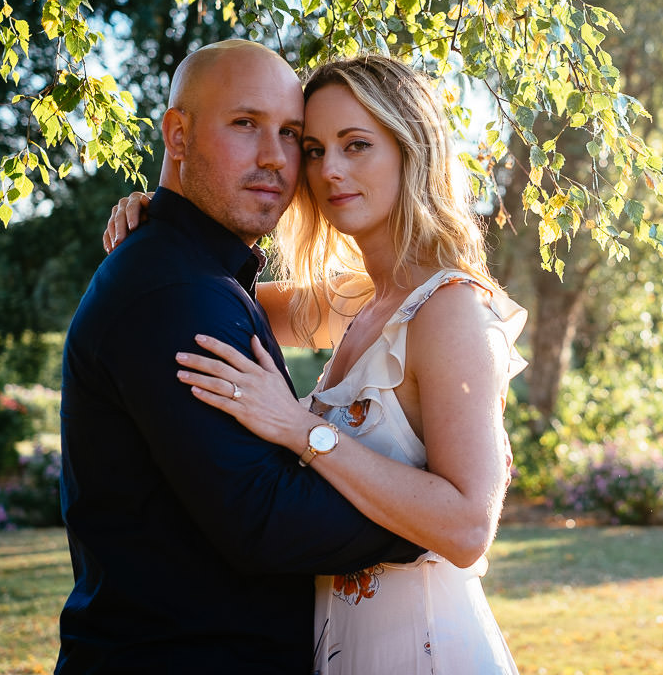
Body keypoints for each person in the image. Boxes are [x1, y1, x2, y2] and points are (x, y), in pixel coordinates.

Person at [106, 55, 526, 674]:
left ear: (412, 150)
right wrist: (160, 212)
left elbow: (468, 528)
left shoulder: (449, 310)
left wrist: (302, 430)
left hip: (423, 650)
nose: (330, 170)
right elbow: (208, 288)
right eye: (315, 148)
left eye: (357, 145)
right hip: (342, 647)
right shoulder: (361, 299)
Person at [58, 40, 422, 675]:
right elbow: (266, 519)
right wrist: (432, 518)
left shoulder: (201, 278)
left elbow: (381, 301)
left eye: (290, 135)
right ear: (177, 134)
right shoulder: (176, 289)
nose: (275, 159)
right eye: (246, 124)